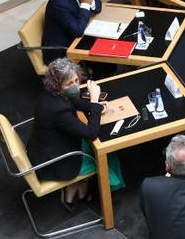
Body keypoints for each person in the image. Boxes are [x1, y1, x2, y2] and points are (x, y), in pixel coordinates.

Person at [26, 58, 124, 210]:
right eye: (69, 84)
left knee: (99, 148)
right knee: (106, 153)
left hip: (45, 149)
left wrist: (94, 107)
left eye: (76, 80)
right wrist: (94, 101)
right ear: (58, 86)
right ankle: (104, 193)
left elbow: (74, 102)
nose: (75, 86)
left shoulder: (52, 94)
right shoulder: (58, 110)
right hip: (56, 163)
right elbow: (91, 133)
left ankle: (79, 188)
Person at [42, 0, 102, 64]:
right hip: (62, 50)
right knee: (102, 48)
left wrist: (90, 1)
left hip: (76, 33)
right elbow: (78, 31)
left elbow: (98, 6)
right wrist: (86, 4)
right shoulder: (59, 3)